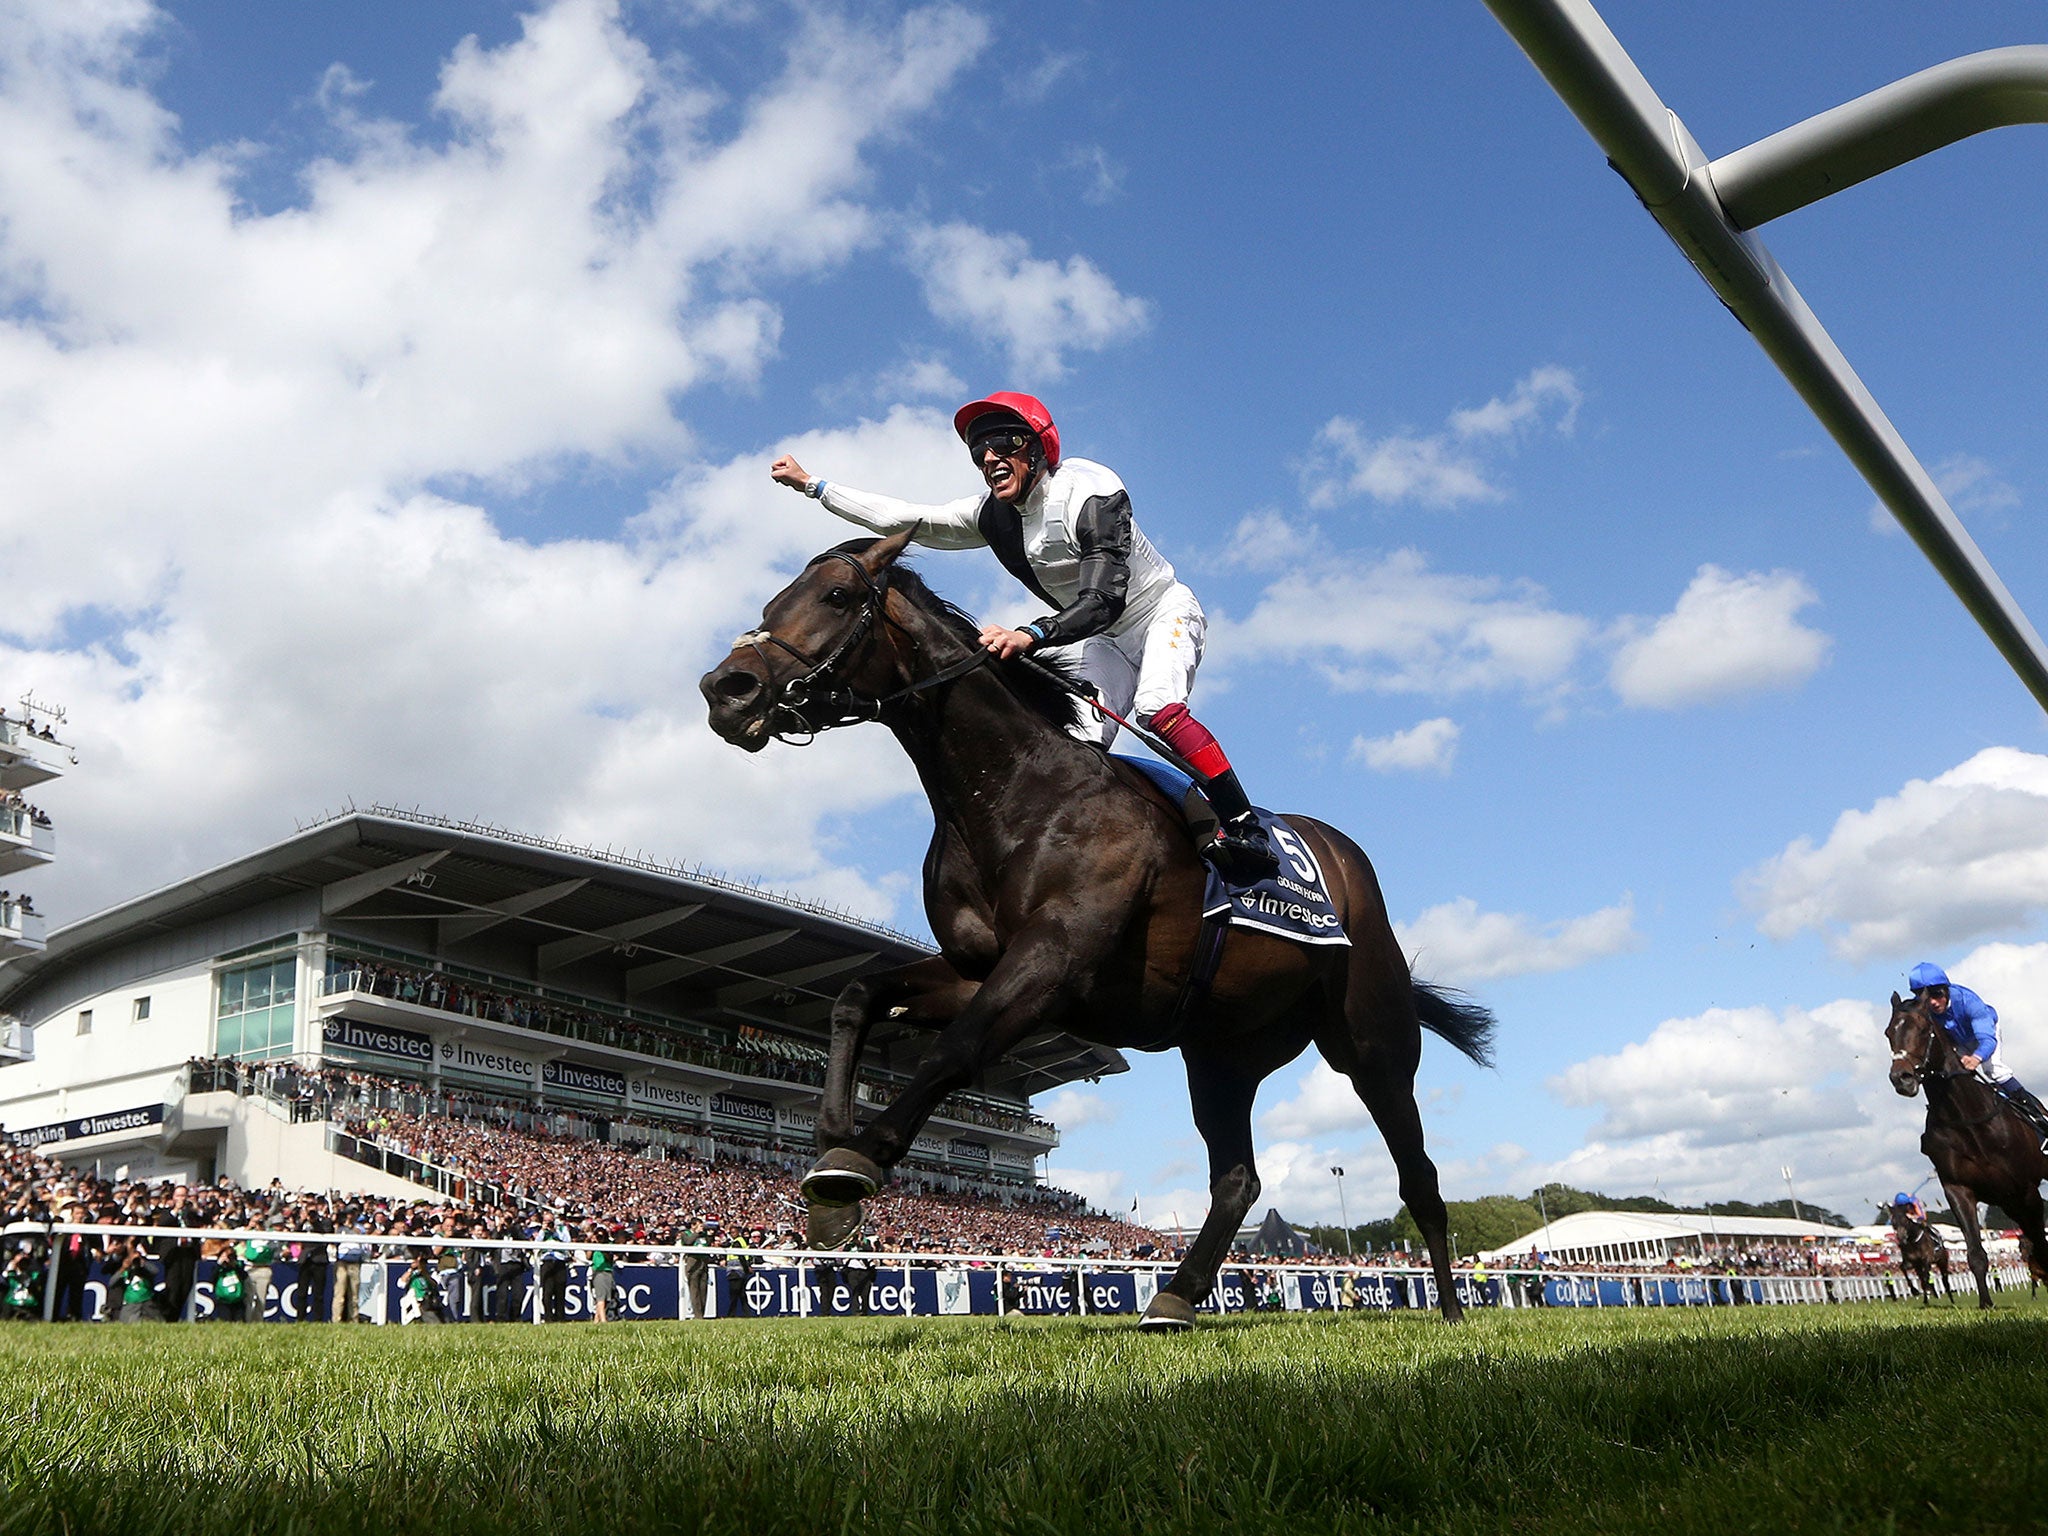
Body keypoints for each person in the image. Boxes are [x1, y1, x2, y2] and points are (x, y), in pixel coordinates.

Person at [771, 392, 1278, 881]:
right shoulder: (990, 516)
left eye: (1004, 443)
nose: (990, 458)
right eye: (979, 451)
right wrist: (815, 485)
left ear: (1038, 448)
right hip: (1105, 640)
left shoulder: (1089, 491)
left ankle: (1243, 824)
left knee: (1156, 709)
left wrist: (1032, 634)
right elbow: (903, 519)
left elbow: (1103, 600)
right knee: (1075, 746)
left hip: (1160, 613)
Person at [1909, 962, 2048, 1151]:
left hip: (1984, 1035)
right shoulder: (1923, 1012)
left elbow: (1987, 1040)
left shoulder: (1968, 1001)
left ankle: (2039, 1119)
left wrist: (1976, 1058)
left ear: (1946, 990)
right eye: (1926, 997)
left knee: (1994, 1070)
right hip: (1958, 1041)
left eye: (1937, 994)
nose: (1933, 1002)